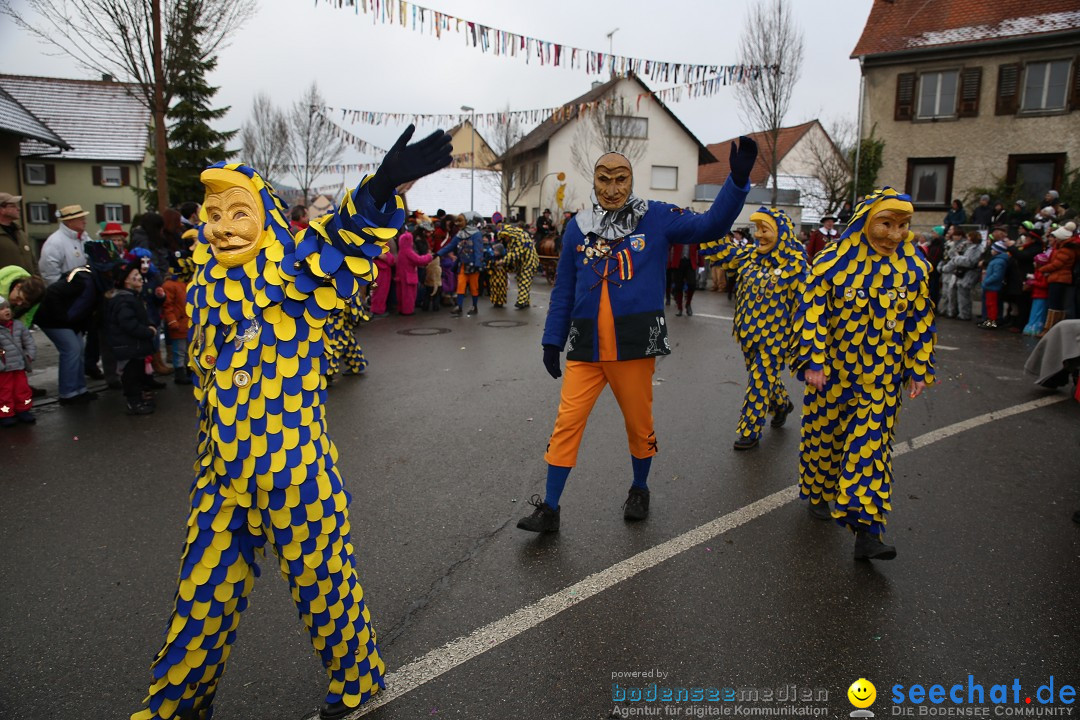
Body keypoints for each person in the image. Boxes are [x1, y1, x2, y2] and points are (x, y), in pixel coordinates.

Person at [129, 124, 452, 720]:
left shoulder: (295, 281)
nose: (222, 226)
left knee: (324, 588)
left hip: (294, 475)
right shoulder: (205, 292)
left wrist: (380, 188)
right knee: (201, 599)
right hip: (220, 479)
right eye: (214, 212)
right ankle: (174, 705)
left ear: (270, 222)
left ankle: (357, 679)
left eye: (239, 212)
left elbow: (343, 237)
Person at [516, 137, 756, 533]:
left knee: (638, 424)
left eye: (621, 179)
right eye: (604, 179)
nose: (612, 188)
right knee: (567, 424)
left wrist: (737, 179)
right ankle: (551, 508)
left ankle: (639, 488)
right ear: (593, 181)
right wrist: (552, 340)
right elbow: (563, 290)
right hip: (586, 348)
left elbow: (711, 225)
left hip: (635, 344)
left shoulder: (656, 217)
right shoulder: (578, 228)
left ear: (632, 181)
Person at [791, 187, 935, 561]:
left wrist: (918, 367)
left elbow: (919, 321)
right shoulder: (830, 264)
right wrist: (814, 362)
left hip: (883, 380)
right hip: (833, 376)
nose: (895, 235)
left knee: (870, 450)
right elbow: (811, 313)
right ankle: (819, 492)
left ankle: (867, 532)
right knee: (825, 440)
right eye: (886, 224)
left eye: (903, 225)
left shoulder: (913, 268)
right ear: (865, 222)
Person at [699, 206, 807, 450]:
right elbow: (719, 250)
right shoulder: (748, 256)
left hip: (776, 338)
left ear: (781, 233)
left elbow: (808, 306)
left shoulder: (796, 265)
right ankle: (781, 404)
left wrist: (804, 343)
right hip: (747, 333)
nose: (758, 235)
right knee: (760, 377)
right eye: (757, 229)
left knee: (759, 381)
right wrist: (710, 221)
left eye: (765, 229)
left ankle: (750, 430)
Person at [33, 265, 103, 405]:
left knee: (78, 349)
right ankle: (68, 393)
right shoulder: (85, 281)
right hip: (52, 319)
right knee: (71, 349)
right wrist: (63, 317)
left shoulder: (93, 281)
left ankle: (80, 389)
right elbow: (53, 292)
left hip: (68, 322)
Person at [105, 259, 158, 414]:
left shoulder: (131, 297)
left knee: (137, 374)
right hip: (128, 348)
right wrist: (148, 331)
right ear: (126, 280)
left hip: (134, 348)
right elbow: (128, 324)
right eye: (135, 275)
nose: (140, 278)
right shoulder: (123, 300)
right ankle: (133, 403)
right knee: (131, 376)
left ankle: (139, 399)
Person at [438, 212, 484, 317]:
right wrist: (438, 253)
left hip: (473, 265)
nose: (458, 223)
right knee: (460, 285)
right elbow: (450, 246)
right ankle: (459, 306)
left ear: (468, 221)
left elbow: (479, 250)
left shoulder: (476, 234)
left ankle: (474, 306)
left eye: (460, 221)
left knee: (473, 287)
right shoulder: (460, 234)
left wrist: (478, 263)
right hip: (463, 264)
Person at [1036, 222, 1078, 336]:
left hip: (1060, 279)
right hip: (1058, 278)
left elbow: (1057, 264)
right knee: (1055, 305)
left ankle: (1049, 329)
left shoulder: (1065, 250)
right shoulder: (1064, 248)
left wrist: (1042, 269)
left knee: (1054, 305)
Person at [0, 295, 36, 426]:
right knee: (5, 392)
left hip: (19, 365)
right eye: (1, 309)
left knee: (22, 389)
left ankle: (23, 409)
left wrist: (29, 355)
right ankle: (5, 413)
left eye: (7, 307)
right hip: (4, 369)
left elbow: (28, 341)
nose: (5, 311)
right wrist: (2, 360)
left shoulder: (18, 325)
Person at [39, 204, 92, 284]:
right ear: (70, 222)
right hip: (67, 293)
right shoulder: (54, 242)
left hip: (85, 289)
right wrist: (63, 291)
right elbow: (50, 275)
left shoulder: (85, 238)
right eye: (81, 219)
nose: (85, 222)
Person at [161, 254, 191, 385]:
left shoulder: (186, 283)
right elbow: (168, 306)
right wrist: (172, 321)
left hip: (188, 323)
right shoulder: (170, 285)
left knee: (189, 349)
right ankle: (179, 372)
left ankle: (189, 369)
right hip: (179, 324)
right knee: (179, 350)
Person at [500, 225, 540, 309]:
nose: (505, 239)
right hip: (521, 263)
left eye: (505, 236)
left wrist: (503, 261)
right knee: (521, 280)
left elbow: (515, 254)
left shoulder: (521, 238)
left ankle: (521, 302)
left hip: (530, 261)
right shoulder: (513, 240)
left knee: (524, 280)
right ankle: (526, 301)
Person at [394, 230, 433, 316]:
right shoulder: (409, 251)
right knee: (409, 294)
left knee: (401, 294)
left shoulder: (401, 251)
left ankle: (401, 309)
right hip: (409, 276)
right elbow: (419, 260)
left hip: (400, 276)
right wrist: (429, 256)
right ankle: (408, 310)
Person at [0, 193, 36, 273]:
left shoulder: (20, 233)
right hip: (6, 284)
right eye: (13, 206)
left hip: (27, 283)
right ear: (1, 209)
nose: (18, 208)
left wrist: (37, 279)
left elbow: (33, 261)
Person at [979, 240, 1011, 329]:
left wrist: (986, 281)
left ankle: (992, 322)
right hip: (990, 286)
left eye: (993, 249)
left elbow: (997, 275)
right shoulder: (996, 260)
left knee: (992, 305)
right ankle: (989, 321)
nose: (991, 251)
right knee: (989, 305)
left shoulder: (999, 261)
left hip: (993, 287)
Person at [667, 239, 701, 317]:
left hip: (690, 262)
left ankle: (688, 304)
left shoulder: (695, 234)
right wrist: (669, 263)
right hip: (678, 262)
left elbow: (700, 248)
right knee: (678, 286)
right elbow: (668, 247)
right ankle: (680, 308)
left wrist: (701, 263)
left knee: (692, 284)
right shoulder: (678, 233)